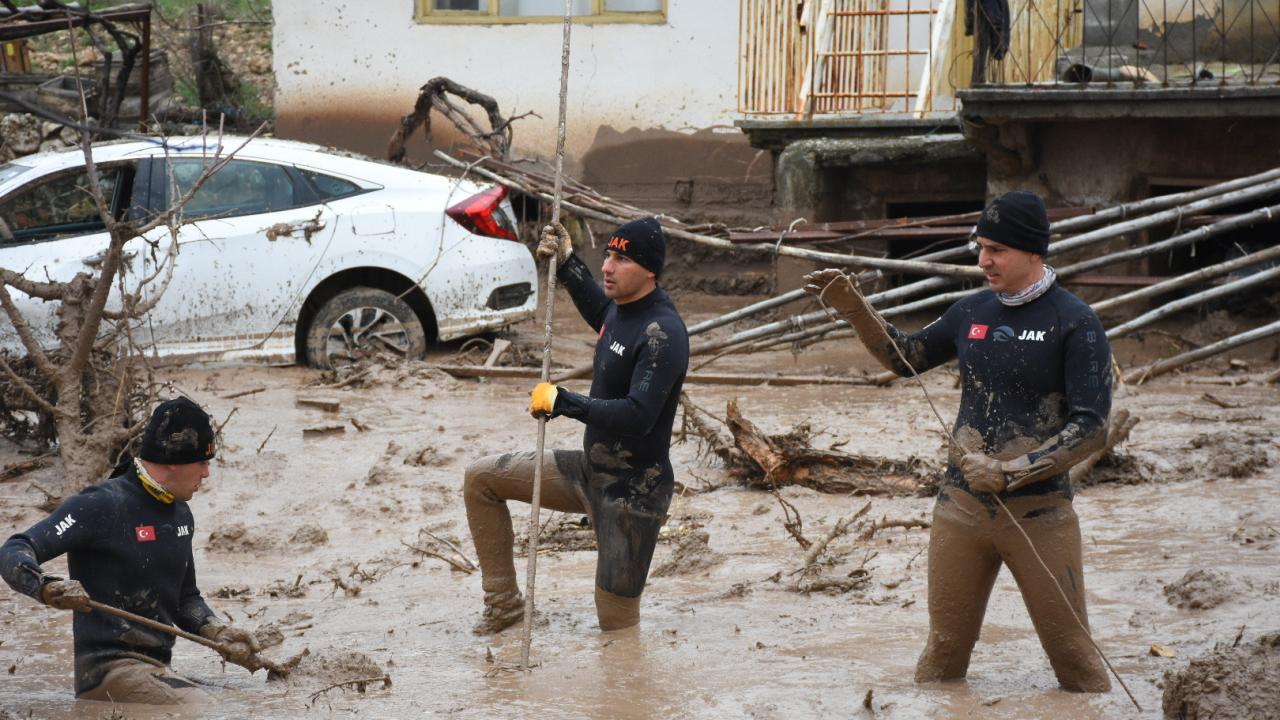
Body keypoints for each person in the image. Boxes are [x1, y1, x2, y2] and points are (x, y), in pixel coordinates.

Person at [803, 191, 1113, 692]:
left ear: (1034, 251)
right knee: (941, 657)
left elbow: (1092, 427)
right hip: (960, 510)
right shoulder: (971, 311)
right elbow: (906, 358)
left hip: (1039, 515)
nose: (983, 261)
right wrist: (857, 310)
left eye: (996, 250)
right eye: (980, 248)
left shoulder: (1075, 322)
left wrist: (1012, 471)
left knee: (1076, 661)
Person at [463, 216, 689, 634]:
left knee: (617, 629)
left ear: (650, 271)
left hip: (632, 494)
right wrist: (568, 265)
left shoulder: (663, 333)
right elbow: (602, 313)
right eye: (608, 255)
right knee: (481, 480)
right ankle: (504, 604)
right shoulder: (620, 310)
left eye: (621, 259)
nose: (607, 266)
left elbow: (639, 416)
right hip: (588, 471)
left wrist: (565, 402)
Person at [0, 397, 260, 704]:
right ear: (173, 460)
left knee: (246, 699)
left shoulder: (181, 514)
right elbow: (14, 549)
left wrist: (216, 630)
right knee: (202, 709)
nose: (206, 473)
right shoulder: (100, 504)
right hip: (108, 670)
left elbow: (185, 598)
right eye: (202, 463)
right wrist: (44, 586)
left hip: (156, 668)